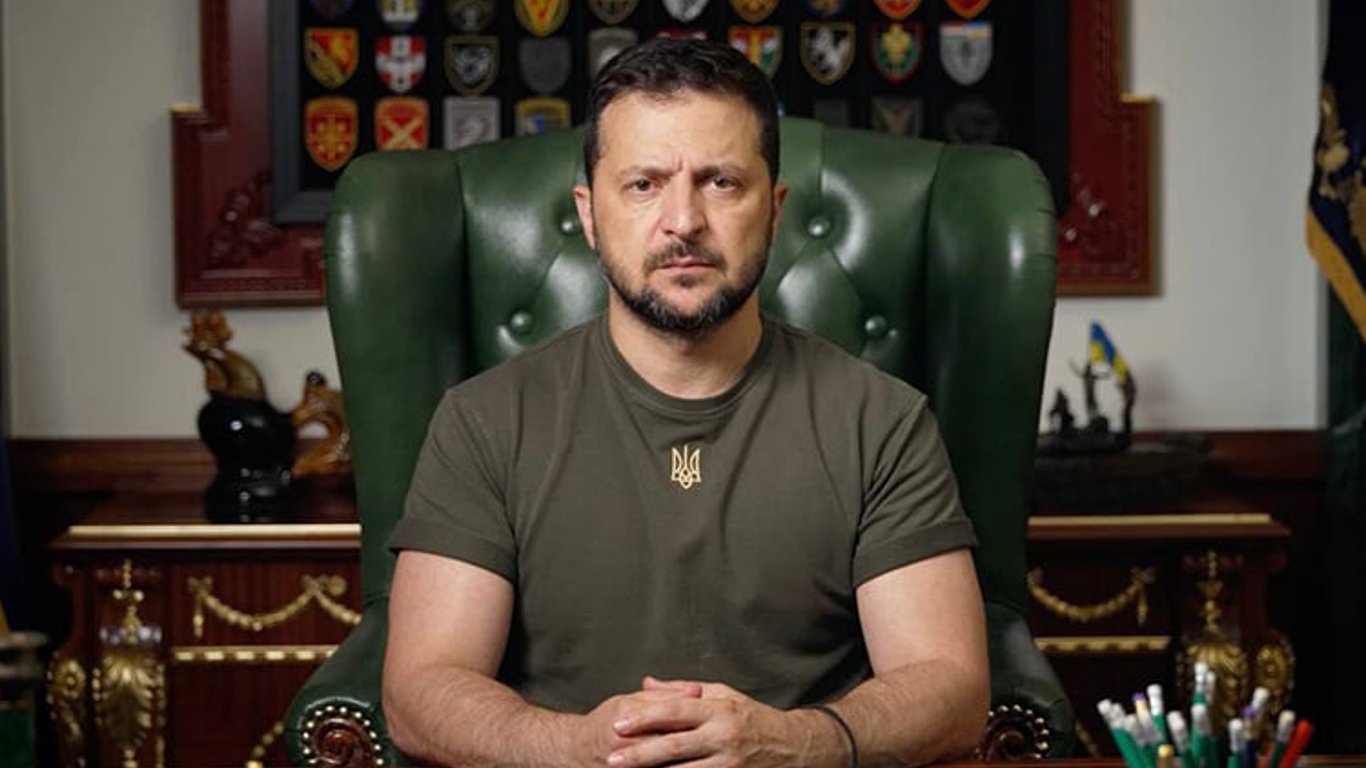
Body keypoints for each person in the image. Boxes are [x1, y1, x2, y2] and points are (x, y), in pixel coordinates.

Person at [382, 38, 989, 768]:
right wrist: (577, 748)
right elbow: (420, 691)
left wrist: (793, 743)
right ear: (589, 214)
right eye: (644, 184)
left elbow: (951, 688)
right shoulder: (483, 422)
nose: (683, 221)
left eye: (721, 182)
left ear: (775, 209)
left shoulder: (882, 421)